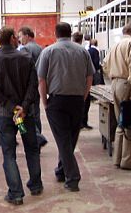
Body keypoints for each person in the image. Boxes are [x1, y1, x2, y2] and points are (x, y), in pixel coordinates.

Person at [0, 27, 43, 205]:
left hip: (6, 116)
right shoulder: (26, 58)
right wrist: (23, 108)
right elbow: (33, 86)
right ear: (12, 38)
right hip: (23, 117)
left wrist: (12, 107)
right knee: (31, 149)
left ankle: (16, 193)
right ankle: (35, 185)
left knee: (9, 153)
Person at [36, 22, 94, 192]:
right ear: (70, 33)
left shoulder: (48, 51)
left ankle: (73, 177)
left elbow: (41, 79)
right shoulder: (82, 51)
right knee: (70, 138)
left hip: (57, 101)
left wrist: (44, 101)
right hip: (77, 100)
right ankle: (62, 171)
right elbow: (90, 76)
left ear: (56, 33)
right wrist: (83, 95)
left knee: (63, 140)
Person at [102, 23, 131, 171]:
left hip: (115, 84)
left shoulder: (115, 45)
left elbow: (105, 65)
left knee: (121, 122)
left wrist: (114, 77)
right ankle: (128, 161)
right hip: (126, 84)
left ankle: (117, 159)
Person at [18, 26, 48, 149]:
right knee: (36, 113)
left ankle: (37, 138)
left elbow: (23, 68)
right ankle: (38, 139)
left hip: (28, 87)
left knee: (26, 115)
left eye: (20, 36)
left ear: (27, 35)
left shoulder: (25, 49)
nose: (19, 39)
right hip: (38, 85)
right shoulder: (40, 48)